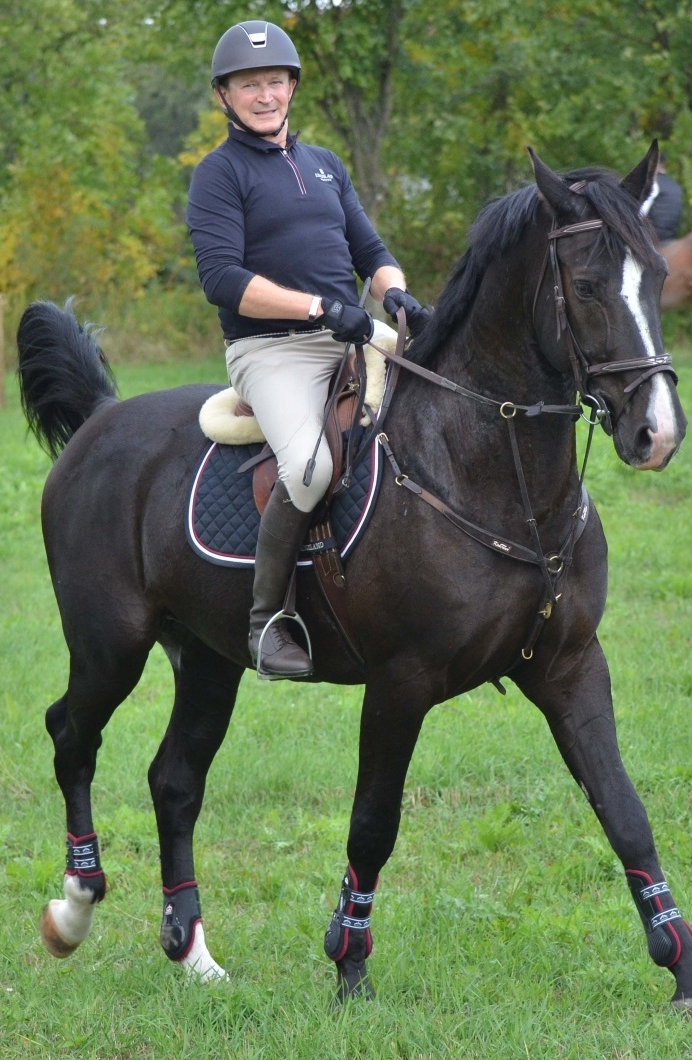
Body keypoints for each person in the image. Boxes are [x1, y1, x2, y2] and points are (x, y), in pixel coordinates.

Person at [187, 19, 432, 680]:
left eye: (274, 81)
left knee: (442, 402)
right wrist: (319, 307)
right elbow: (224, 281)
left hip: (351, 331)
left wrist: (397, 295)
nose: (264, 95)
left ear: (291, 86)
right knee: (309, 470)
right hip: (273, 352)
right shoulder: (217, 175)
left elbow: (370, 253)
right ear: (224, 96)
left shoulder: (324, 165)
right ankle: (266, 622)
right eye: (249, 85)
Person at [640, 156, 685, 244]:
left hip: (652, 234)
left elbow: (642, 212)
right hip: (672, 234)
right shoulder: (676, 186)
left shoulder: (653, 183)